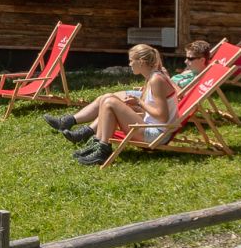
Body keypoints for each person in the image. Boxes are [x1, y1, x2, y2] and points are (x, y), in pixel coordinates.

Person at [45, 44, 176, 166]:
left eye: (131, 61)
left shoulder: (156, 80)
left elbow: (162, 116)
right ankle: (98, 145)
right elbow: (154, 112)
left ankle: (102, 149)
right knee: (107, 99)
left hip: (156, 135)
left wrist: (139, 102)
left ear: (141, 62)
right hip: (151, 128)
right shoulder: (152, 78)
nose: (129, 64)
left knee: (110, 101)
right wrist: (133, 106)